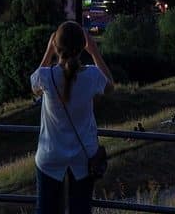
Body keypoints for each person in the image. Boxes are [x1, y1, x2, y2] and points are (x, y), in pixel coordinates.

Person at [31, 21, 115, 214]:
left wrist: (49, 52)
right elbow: (110, 86)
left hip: (50, 155)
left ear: (56, 46)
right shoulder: (92, 75)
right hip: (83, 158)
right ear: (81, 48)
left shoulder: (46, 76)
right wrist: (94, 51)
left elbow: (33, 87)